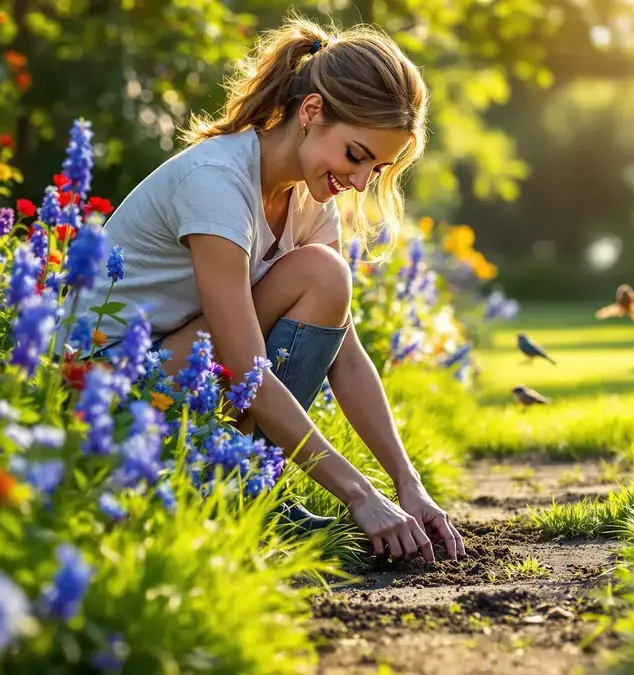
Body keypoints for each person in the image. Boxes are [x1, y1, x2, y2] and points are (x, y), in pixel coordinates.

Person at [69, 16, 466, 563]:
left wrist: (407, 482)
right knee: (320, 273)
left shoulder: (308, 197)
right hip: (103, 389)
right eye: (356, 155)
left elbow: (346, 358)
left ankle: (245, 490)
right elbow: (245, 364)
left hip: (180, 368)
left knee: (326, 277)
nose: (358, 181)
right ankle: (233, 490)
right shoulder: (216, 182)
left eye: (376, 169)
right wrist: (358, 494)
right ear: (311, 113)